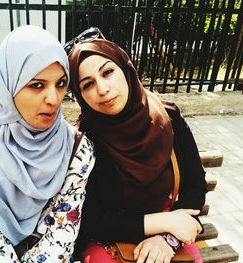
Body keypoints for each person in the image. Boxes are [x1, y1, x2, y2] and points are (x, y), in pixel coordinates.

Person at [0, 25, 95, 263]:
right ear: (9, 85)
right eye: (36, 85)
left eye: (60, 83)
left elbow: (62, 231)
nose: (53, 99)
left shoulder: (77, 148)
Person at [66, 28, 207, 263]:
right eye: (88, 84)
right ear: (80, 96)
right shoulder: (83, 140)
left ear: (126, 69)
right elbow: (91, 221)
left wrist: (167, 237)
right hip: (110, 240)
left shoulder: (169, 118)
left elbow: (196, 184)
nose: (102, 89)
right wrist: (164, 222)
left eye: (108, 72)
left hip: (170, 234)